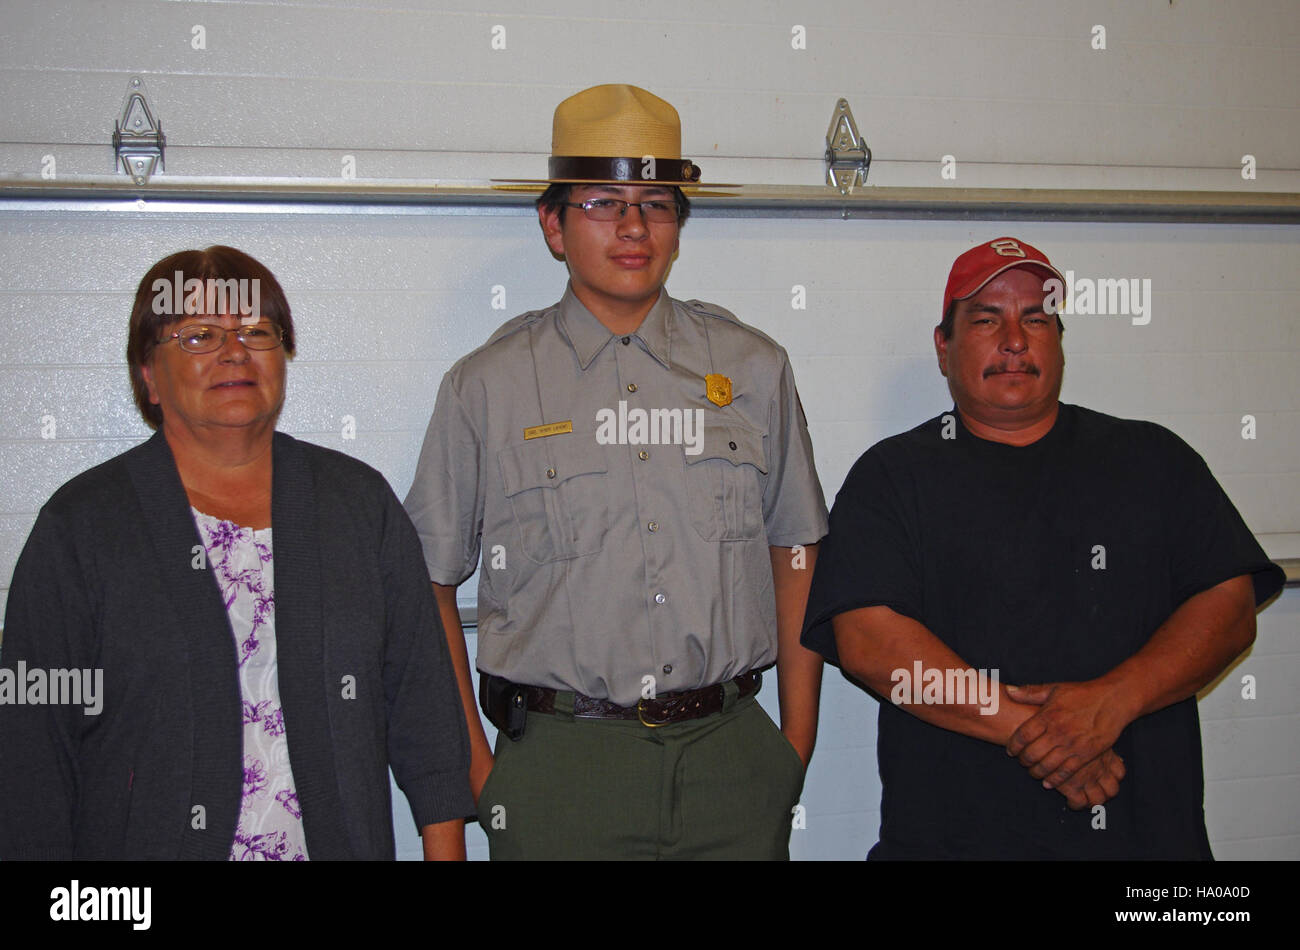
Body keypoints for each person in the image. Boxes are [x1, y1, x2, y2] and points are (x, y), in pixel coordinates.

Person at [404, 84, 828, 859]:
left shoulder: (754, 368)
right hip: (561, 770)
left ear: (678, 225)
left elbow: (796, 547)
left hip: (730, 760)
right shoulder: (488, 387)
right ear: (552, 224)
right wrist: (476, 765)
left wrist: (793, 745)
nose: (634, 227)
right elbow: (426, 579)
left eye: (657, 203)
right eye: (603, 202)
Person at [801, 236, 1285, 859]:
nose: (1014, 338)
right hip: (953, 842)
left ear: (1058, 341)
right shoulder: (892, 476)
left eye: (1036, 318)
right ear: (943, 347)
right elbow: (869, 642)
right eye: (986, 319)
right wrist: (1045, 732)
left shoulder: (1153, 459)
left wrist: (1113, 701)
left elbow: (1229, 607)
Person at [0, 245, 474, 860]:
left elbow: (425, 709)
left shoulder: (357, 505)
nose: (234, 351)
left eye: (256, 330)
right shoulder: (84, 525)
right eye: (197, 335)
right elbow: (32, 754)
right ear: (148, 373)